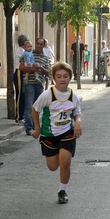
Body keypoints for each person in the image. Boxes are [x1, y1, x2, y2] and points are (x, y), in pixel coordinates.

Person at [31, 61, 82, 204]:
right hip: (49, 135)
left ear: (70, 78)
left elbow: (77, 113)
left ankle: (62, 191)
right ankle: (57, 155)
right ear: (53, 78)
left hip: (67, 133)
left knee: (65, 162)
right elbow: (35, 109)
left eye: (65, 76)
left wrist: (78, 123)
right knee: (53, 167)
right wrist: (37, 128)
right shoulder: (47, 95)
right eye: (58, 76)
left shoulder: (74, 96)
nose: (62, 79)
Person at [19, 37, 50, 136]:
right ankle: (29, 128)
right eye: (38, 43)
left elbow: (49, 72)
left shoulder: (46, 58)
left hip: (40, 83)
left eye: (41, 44)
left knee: (38, 106)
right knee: (29, 105)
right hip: (29, 83)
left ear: (44, 45)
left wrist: (40, 67)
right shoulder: (28, 54)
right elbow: (21, 67)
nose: (39, 46)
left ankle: (36, 127)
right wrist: (32, 69)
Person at [13, 34, 29, 125]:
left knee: (23, 94)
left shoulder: (24, 51)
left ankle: (22, 115)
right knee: (20, 95)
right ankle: (19, 117)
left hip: (23, 72)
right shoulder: (20, 51)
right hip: (19, 72)